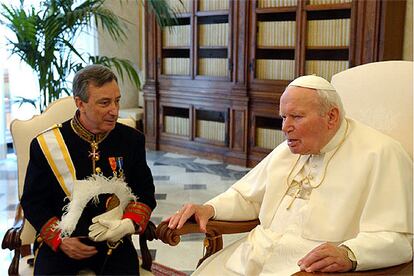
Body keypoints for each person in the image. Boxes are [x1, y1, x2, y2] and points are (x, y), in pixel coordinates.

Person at [166, 75, 413, 275]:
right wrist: (209, 209)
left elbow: (398, 238)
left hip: (312, 267)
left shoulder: (380, 153)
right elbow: (248, 197)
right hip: (253, 256)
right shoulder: (288, 150)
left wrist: (350, 253)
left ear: (331, 116)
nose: (285, 128)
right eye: (283, 117)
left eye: (296, 116)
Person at [21, 64, 156, 275]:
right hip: (63, 242)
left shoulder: (131, 140)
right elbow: (33, 201)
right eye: (105, 103)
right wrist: (60, 240)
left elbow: (145, 192)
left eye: (117, 101)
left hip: (114, 241)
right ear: (80, 103)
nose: (115, 110)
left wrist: (128, 224)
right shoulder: (46, 144)